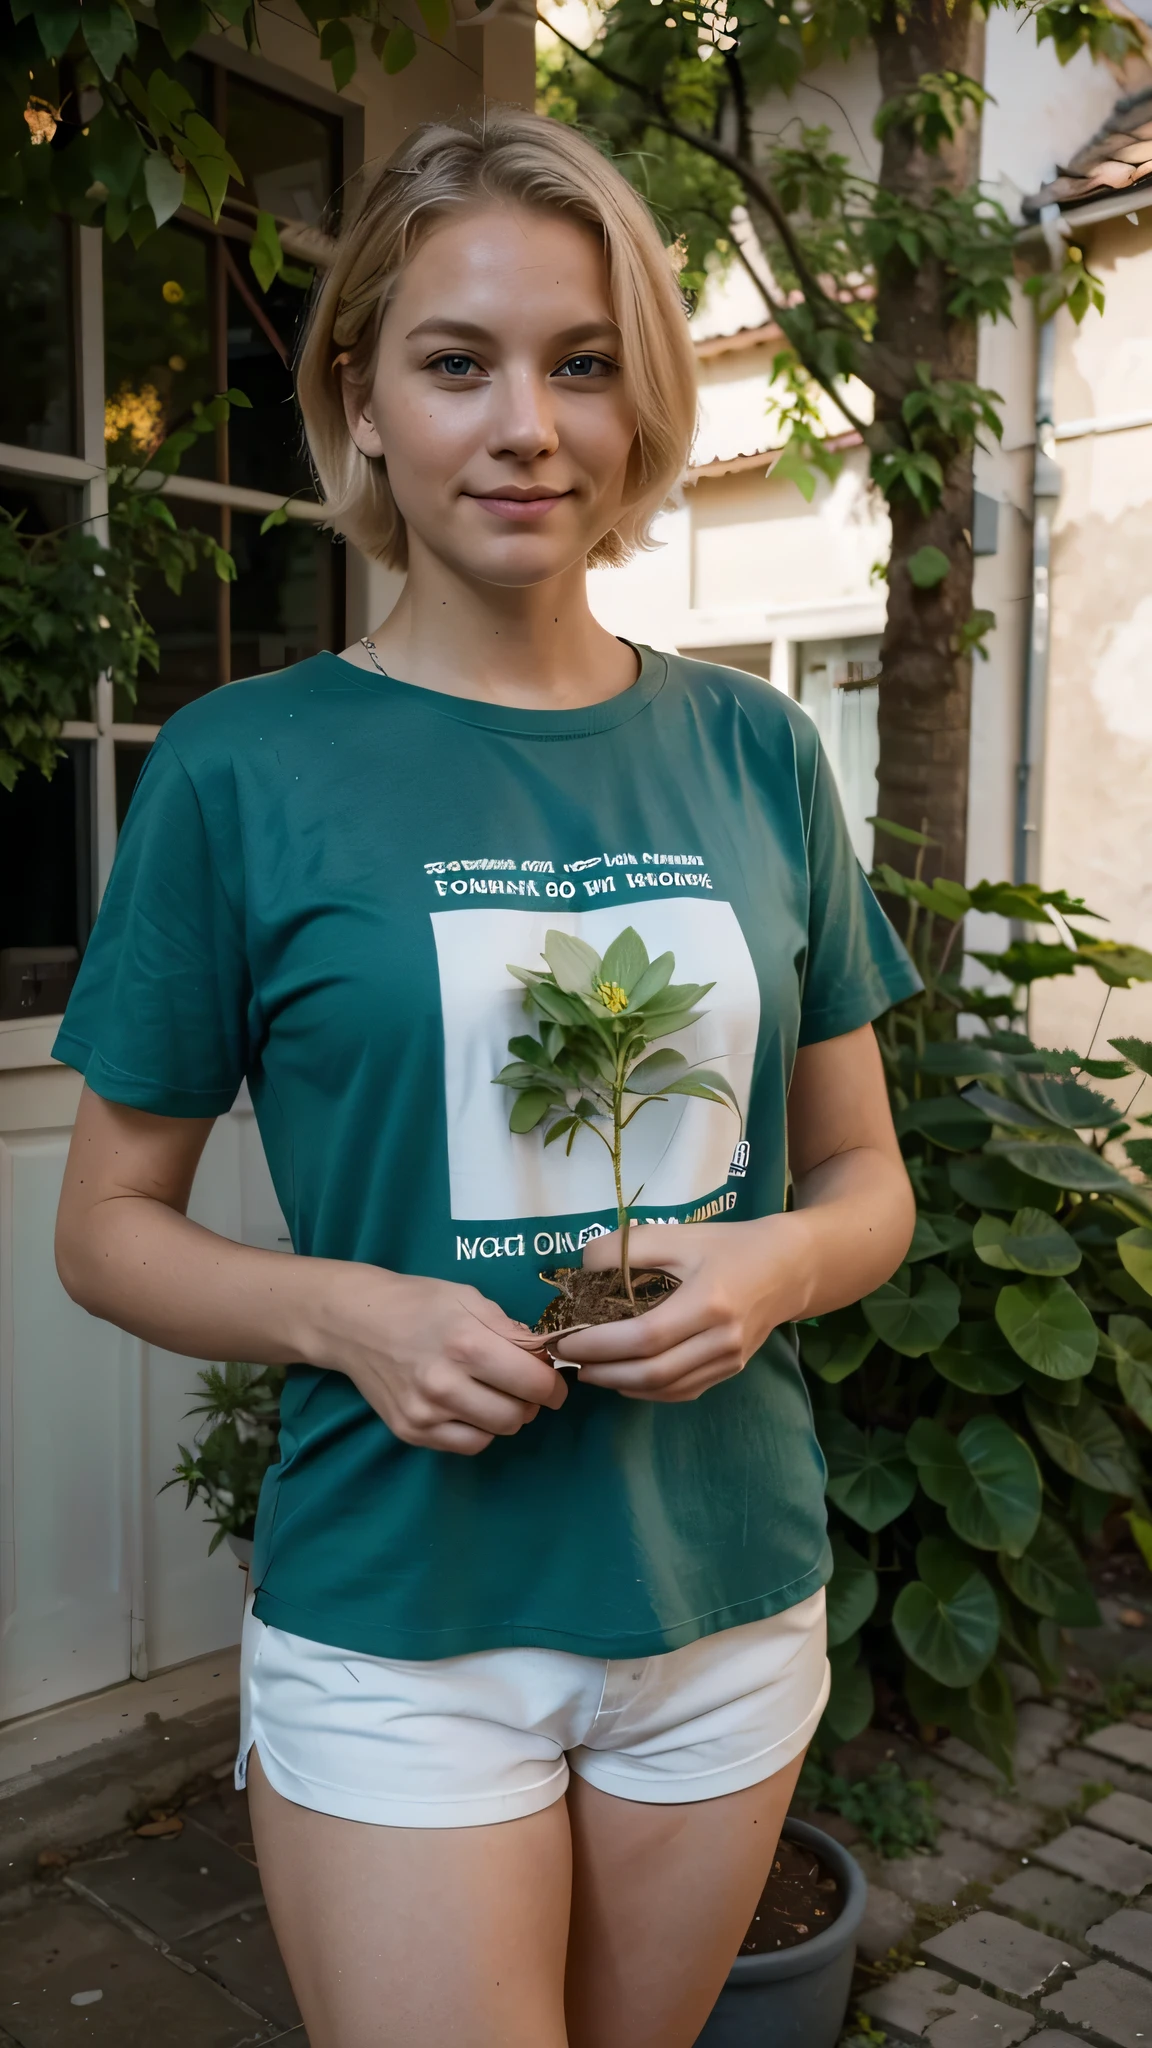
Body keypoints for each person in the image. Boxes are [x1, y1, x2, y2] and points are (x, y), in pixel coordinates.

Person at [54, 109, 918, 2048]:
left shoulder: (761, 756)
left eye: (581, 360)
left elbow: (868, 1181)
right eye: (460, 362)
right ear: (362, 398)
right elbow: (102, 1228)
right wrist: (343, 1311)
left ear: (641, 408)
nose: (525, 422)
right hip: (400, 1624)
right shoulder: (239, 768)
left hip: (724, 1598)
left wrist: (764, 1270)